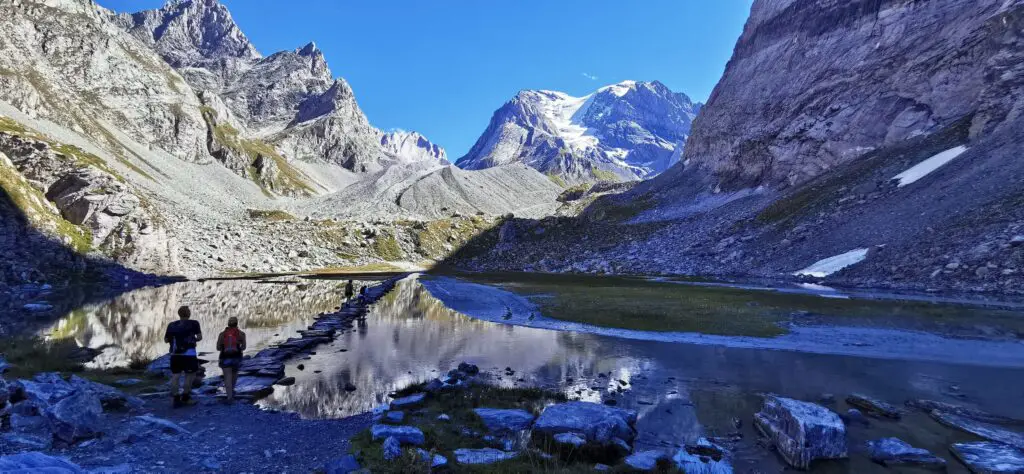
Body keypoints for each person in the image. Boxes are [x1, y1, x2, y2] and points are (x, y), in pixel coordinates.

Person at [164, 306, 202, 408]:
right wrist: (192, 339)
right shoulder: (194, 323)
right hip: (189, 354)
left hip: (175, 354)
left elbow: (166, 340)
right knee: (189, 375)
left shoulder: (171, 325)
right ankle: (185, 398)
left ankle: (176, 398)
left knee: (175, 376)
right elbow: (199, 337)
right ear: (188, 314)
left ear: (179, 314)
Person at [216, 317, 247, 403]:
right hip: (236, 357)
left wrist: (224, 346)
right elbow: (244, 347)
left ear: (228, 324)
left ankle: (229, 397)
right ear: (237, 323)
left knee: (227, 377)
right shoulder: (241, 334)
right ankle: (232, 391)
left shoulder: (222, 334)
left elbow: (218, 348)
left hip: (224, 357)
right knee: (234, 375)